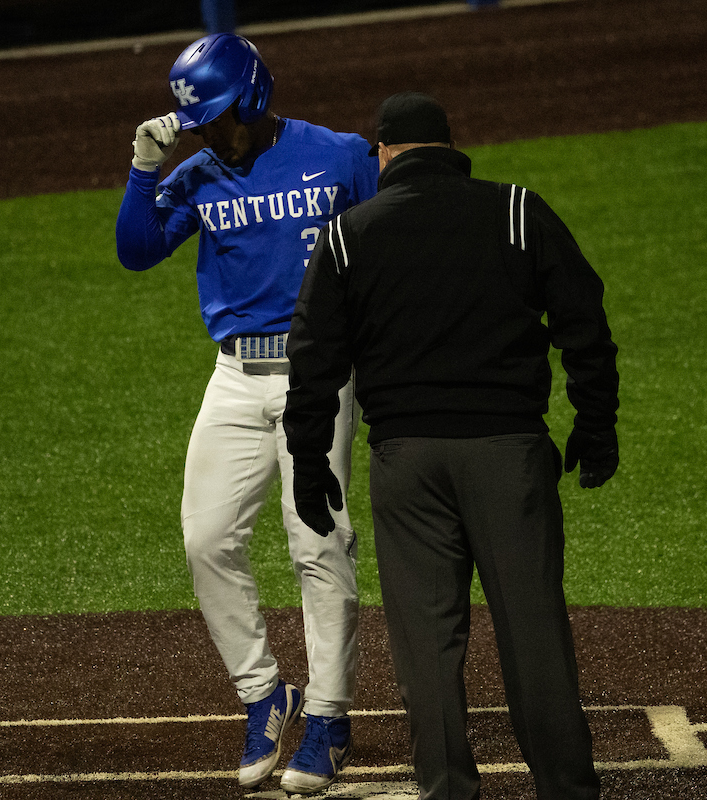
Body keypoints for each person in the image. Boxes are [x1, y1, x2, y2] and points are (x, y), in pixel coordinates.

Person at [283, 91, 619, 800]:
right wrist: (595, 421)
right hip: (509, 458)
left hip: (408, 468)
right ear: (450, 147)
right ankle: (568, 790)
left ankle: (447, 791)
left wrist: (309, 464)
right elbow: (583, 319)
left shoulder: (348, 233)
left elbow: (313, 362)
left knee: (429, 651)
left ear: (383, 154)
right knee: (533, 635)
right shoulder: (516, 211)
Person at [115, 33, 379, 794]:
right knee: (205, 539)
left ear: (256, 97)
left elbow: (394, 237)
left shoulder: (340, 156)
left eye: (220, 119)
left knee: (318, 543)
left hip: (320, 375)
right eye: (198, 125)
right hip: (233, 376)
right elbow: (137, 251)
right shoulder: (197, 174)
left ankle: (329, 717)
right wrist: (144, 171)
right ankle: (265, 693)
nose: (210, 136)